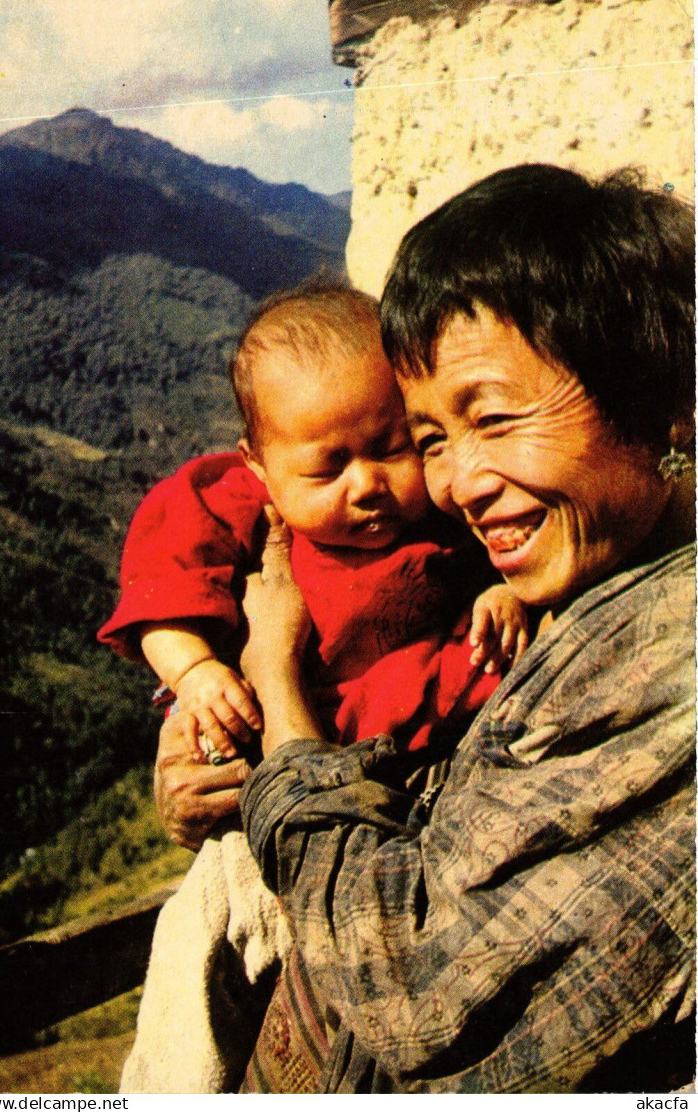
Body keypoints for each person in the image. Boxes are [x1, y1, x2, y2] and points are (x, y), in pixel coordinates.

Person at [169, 163, 693, 1093]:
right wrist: (223, 763)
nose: (454, 483)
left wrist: (283, 698)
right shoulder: (578, 576)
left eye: (492, 418)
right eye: (434, 437)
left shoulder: (671, 657)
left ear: (661, 404)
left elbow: (416, 993)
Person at [103, 284, 529, 1092]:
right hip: (269, 813)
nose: (367, 483)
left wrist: (502, 595)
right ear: (258, 463)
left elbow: (505, 566)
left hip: (405, 798)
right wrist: (195, 672)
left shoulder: (447, 511)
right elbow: (160, 583)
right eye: (327, 465)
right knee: (197, 957)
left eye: (391, 446)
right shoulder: (240, 508)